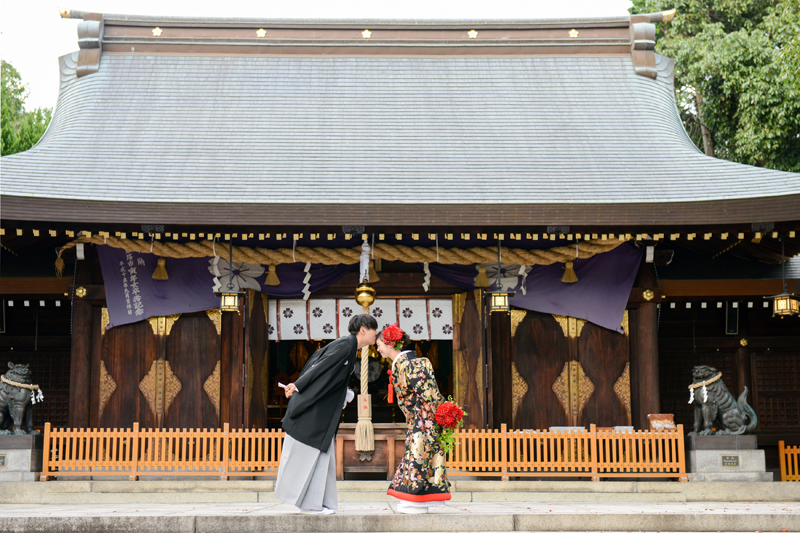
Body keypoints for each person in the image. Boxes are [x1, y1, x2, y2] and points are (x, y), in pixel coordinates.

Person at [274, 313, 378, 514]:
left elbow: (326, 373)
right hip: (314, 414)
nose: (376, 334)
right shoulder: (346, 345)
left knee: (324, 459)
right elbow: (318, 367)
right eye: (374, 329)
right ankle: (311, 505)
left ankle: (321, 503)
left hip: (322, 414)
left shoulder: (348, 347)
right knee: (313, 457)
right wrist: (297, 385)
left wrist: (344, 393)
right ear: (363, 329)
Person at [376, 323, 450, 514]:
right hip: (418, 420)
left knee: (418, 458)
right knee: (417, 457)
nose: (378, 349)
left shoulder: (412, 364)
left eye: (379, 345)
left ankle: (416, 499)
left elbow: (430, 393)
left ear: (390, 343)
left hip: (423, 420)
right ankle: (415, 499)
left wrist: (444, 412)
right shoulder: (404, 364)